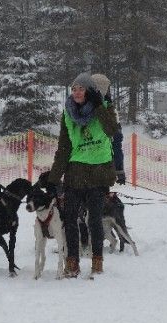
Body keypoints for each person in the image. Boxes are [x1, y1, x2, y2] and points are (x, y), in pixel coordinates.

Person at [47, 72, 118, 278]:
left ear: (90, 92)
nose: (77, 92)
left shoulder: (104, 108)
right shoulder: (68, 113)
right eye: (74, 89)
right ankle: (72, 261)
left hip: (98, 174)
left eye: (81, 89)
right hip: (75, 173)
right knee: (70, 219)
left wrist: (99, 105)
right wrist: (53, 179)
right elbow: (64, 148)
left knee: (94, 220)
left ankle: (97, 260)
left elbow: (111, 130)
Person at [91, 73, 126, 185]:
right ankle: (119, 172)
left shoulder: (95, 102)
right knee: (116, 150)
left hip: (105, 131)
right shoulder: (108, 102)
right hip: (115, 129)